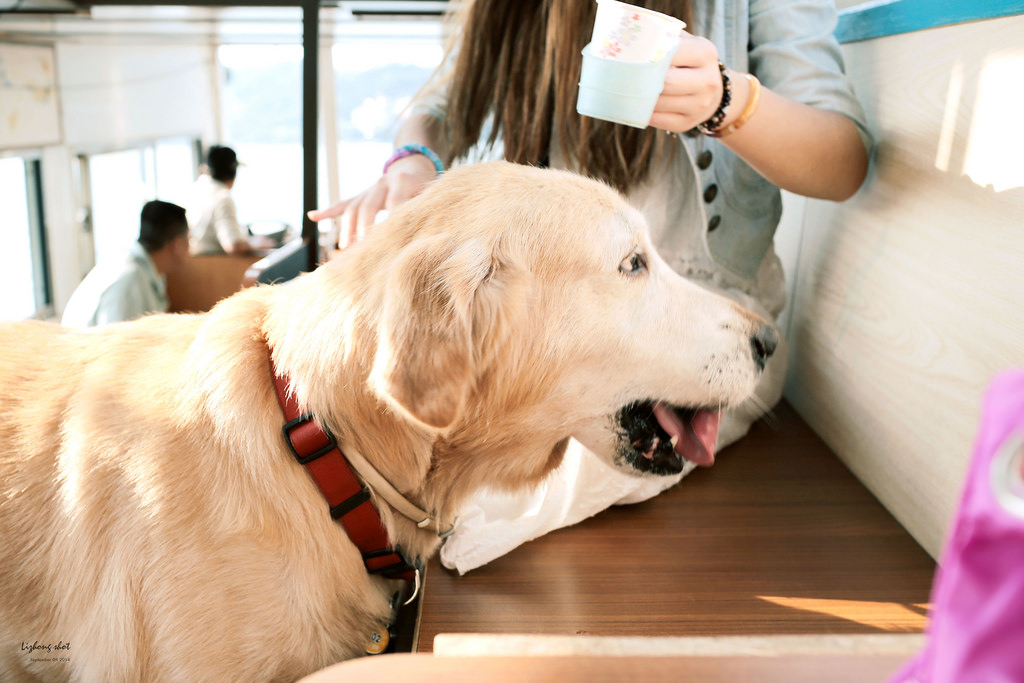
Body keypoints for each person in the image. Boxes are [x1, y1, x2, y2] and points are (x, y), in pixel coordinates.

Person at [308, 0, 873, 573]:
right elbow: (442, 104)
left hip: (694, 324)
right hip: (535, 345)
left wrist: (726, 101)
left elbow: (844, 159)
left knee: (471, 509)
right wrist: (411, 159)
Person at [62, 200, 190, 328]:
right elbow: (115, 342)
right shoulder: (130, 278)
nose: (190, 247)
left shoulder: (147, 270)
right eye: (189, 239)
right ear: (177, 245)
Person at [187, 145, 260, 255]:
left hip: (195, 262)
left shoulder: (194, 190)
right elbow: (234, 246)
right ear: (233, 173)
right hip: (217, 266)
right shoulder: (223, 199)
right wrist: (256, 243)